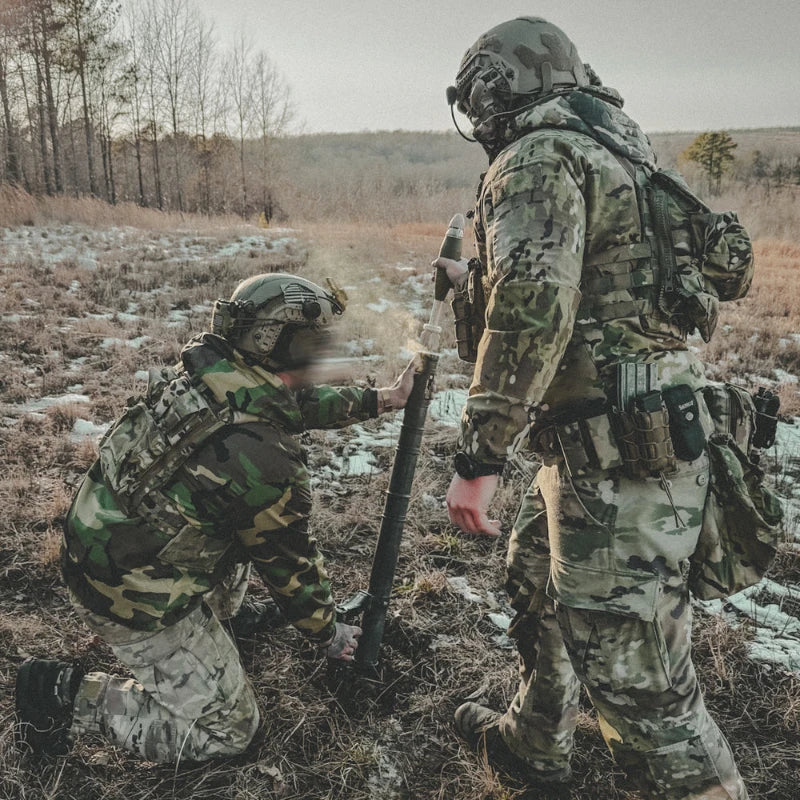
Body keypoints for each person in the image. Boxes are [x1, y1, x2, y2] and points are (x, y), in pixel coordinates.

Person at [438, 16, 753, 800]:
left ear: (497, 85)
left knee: (641, 687)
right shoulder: (616, 152)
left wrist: (478, 459)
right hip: (603, 445)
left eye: (477, 90)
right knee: (536, 579)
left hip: (617, 461)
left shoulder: (538, 156)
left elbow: (533, 307)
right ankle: (533, 744)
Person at [15, 272, 416, 763]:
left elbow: (292, 404)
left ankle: (220, 618)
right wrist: (329, 632)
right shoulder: (265, 459)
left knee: (233, 520)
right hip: (130, 596)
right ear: (284, 346)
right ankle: (60, 693)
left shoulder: (217, 375)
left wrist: (383, 400)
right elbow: (290, 568)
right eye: (315, 341)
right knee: (229, 733)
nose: (323, 352)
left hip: (107, 546)